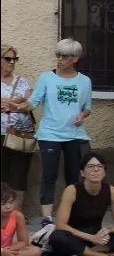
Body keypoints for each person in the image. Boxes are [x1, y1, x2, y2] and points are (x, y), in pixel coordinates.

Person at [10, 38, 92, 226]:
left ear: (75, 59)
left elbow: (88, 107)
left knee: (73, 176)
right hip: (50, 134)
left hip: (74, 135)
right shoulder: (46, 77)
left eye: (64, 56)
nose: (59, 59)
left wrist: (82, 115)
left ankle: (71, 214)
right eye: (58, 55)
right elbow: (35, 101)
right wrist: (21, 105)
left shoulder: (84, 81)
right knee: (49, 175)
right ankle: (47, 218)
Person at [48, 152, 114, 256]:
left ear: (104, 172)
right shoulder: (72, 190)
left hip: (97, 240)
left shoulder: (112, 191)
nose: (95, 170)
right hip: (74, 238)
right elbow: (60, 225)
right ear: (82, 173)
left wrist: (107, 231)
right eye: (90, 167)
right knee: (57, 237)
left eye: (99, 167)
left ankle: (86, 253)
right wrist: (91, 237)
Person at [1, 44, 35, 210]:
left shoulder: (22, 81)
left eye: (15, 59)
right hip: (1, 134)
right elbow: (23, 99)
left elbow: (30, 102)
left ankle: (17, 218)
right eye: (8, 58)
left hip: (20, 135)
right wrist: (17, 100)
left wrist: (7, 102)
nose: (12, 62)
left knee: (19, 179)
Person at [2, 183, 41, 256]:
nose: (8, 207)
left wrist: (8, 250)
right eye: (3, 204)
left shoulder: (17, 216)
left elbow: (23, 242)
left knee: (36, 251)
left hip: (8, 250)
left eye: (11, 202)